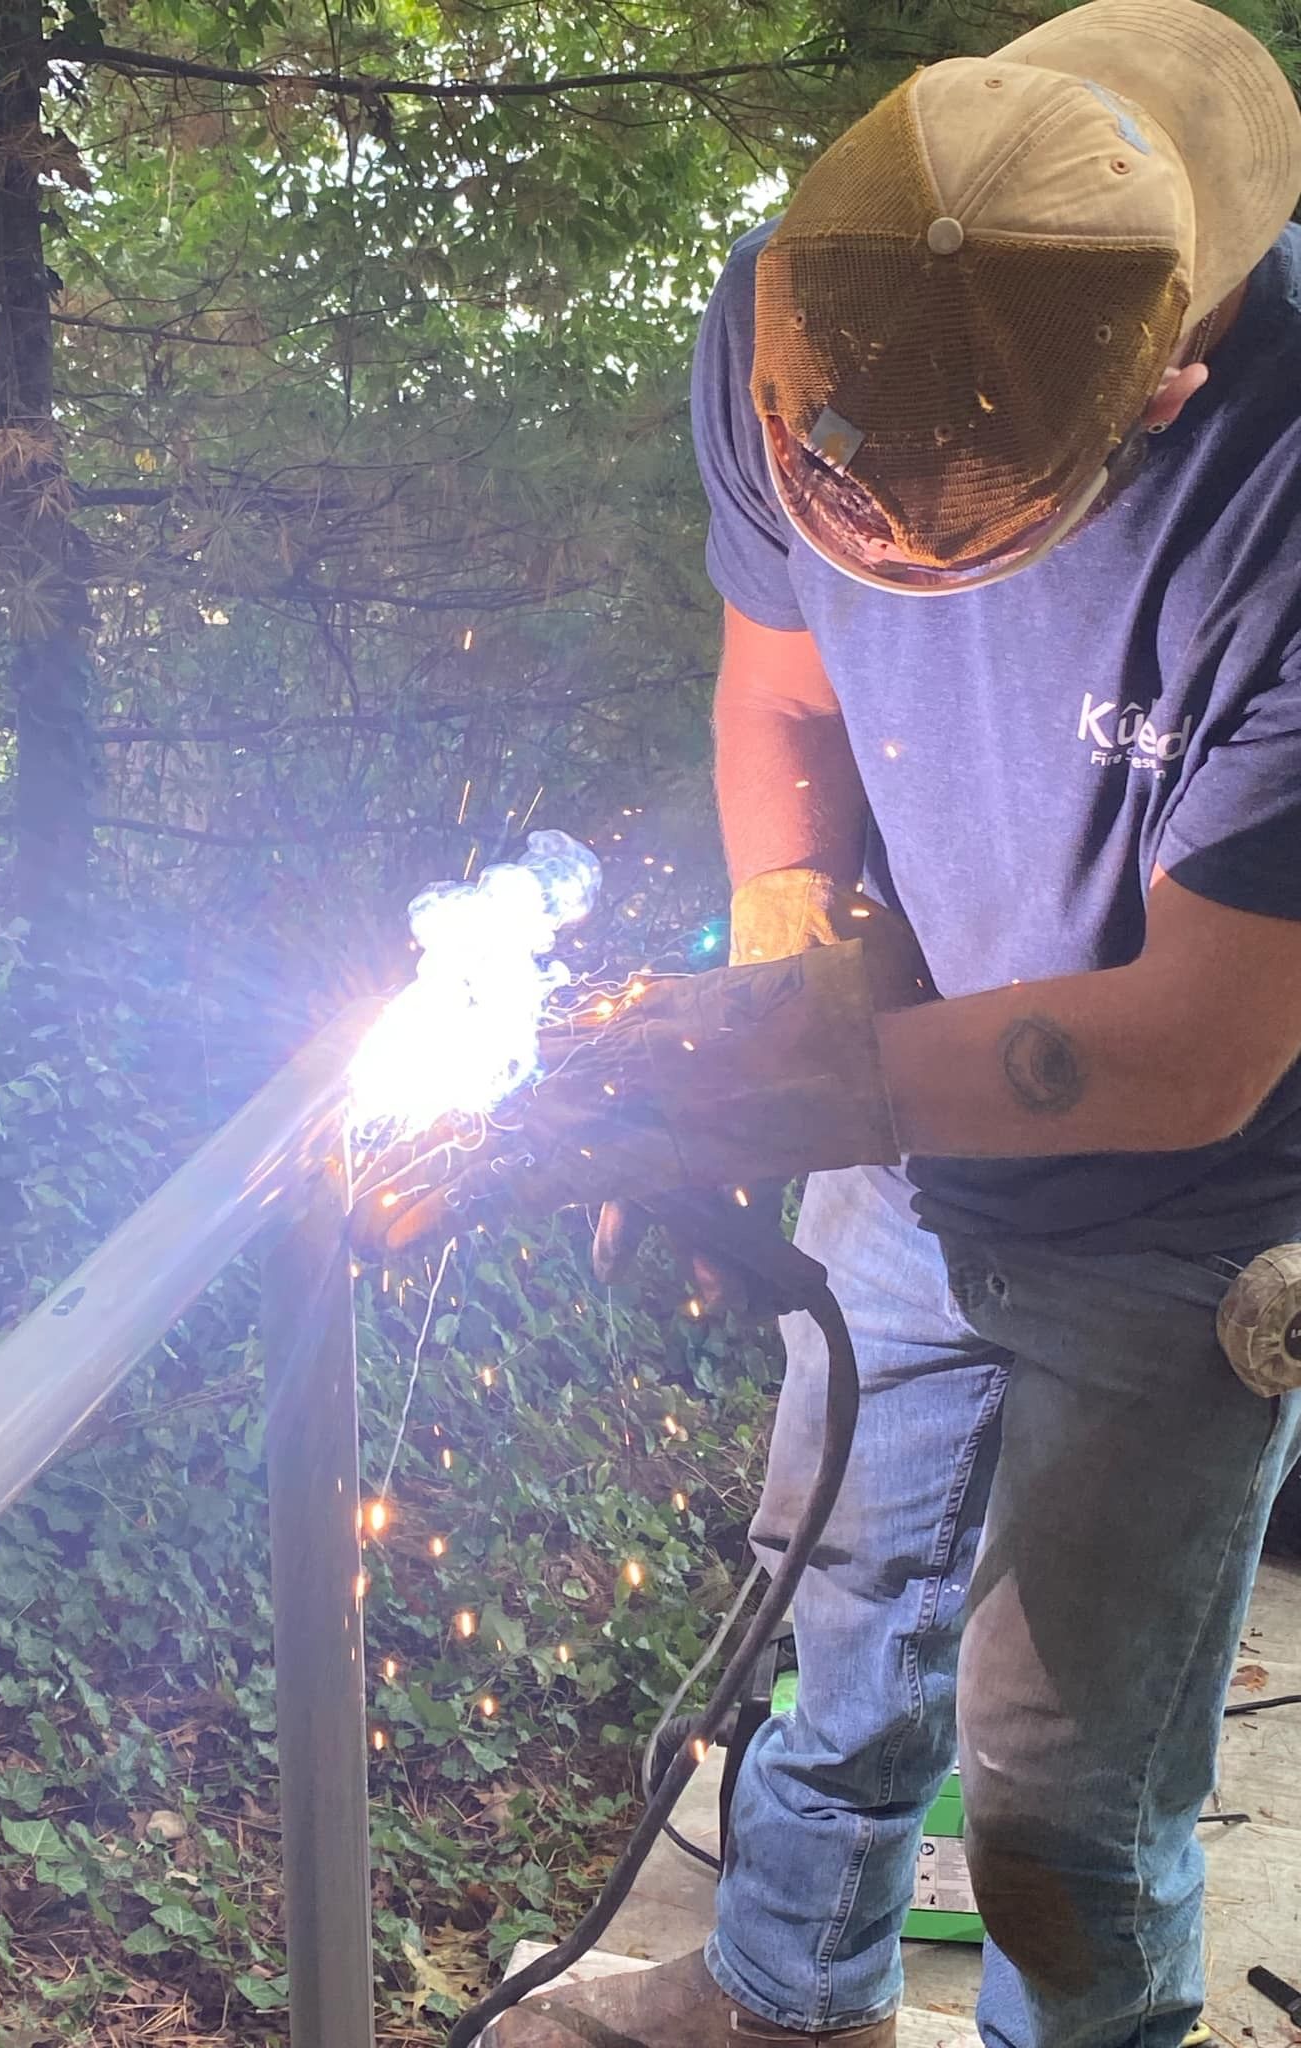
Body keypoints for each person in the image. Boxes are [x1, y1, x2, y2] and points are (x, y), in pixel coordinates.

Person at [358, 3, 1301, 2043]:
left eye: (942, 524)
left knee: (1061, 1788)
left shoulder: (1289, 501)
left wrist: (781, 1084)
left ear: (1167, 394)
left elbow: (1198, 1044)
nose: (861, 543)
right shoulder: (827, 307)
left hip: (1196, 1196)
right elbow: (783, 691)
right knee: (838, 1597)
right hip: (907, 1100)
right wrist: (780, 993)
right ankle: (785, 1998)